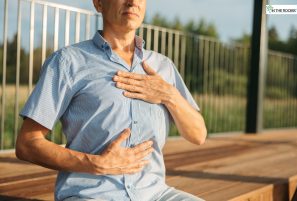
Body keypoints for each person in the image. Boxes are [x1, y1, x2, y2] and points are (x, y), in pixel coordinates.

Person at [15, 0, 207, 200]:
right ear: (99, 3)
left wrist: (169, 95)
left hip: (155, 194)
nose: (133, 2)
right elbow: (27, 144)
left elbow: (198, 135)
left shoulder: (163, 66)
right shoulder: (68, 62)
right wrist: (95, 163)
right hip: (92, 195)